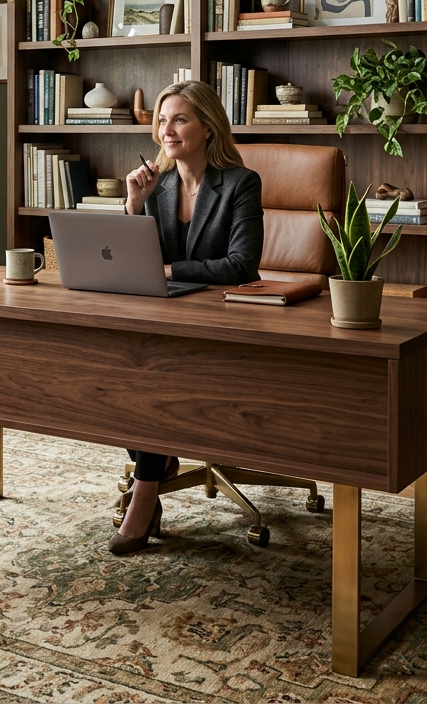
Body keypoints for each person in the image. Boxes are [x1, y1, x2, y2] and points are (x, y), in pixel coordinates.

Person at [108, 80, 263, 555]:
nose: (166, 129)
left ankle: (145, 492)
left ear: (208, 128)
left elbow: (241, 265)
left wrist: (171, 268)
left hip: (222, 323)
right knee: (126, 364)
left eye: (179, 119)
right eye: (161, 119)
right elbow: (137, 259)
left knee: (155, 375)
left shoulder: (240, 183)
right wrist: (134, 205)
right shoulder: (160, 185)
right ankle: (154, 467)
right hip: (165, 314)